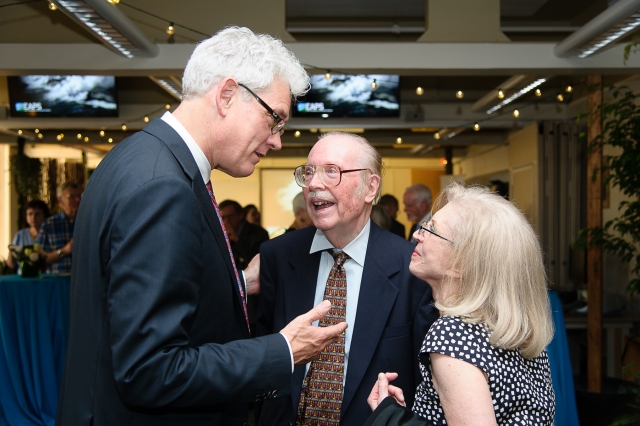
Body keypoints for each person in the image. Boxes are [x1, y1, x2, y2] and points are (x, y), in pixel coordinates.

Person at [55, 27, 347, 426]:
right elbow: (150, 371)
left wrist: (238, 283)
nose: (278, 140)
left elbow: (131, 298)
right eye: (274, 119)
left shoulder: (137, 156)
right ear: (227, 94)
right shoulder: (164, 187)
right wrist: (282, 350)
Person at [257, 132, 438, 426]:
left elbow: (424, 375)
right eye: (309, 171)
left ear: (370, 187)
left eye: (332, 171)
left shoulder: (411, 267)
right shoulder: (278, 256)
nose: (314, 184)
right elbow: (264, 350)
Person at [366, 183, 555, 425]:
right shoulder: (519, 329)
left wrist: (389, 416)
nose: (416, 235)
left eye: (431, 230)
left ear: (460, 265)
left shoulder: (452, 335)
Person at [219, 199, 270, 336]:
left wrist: (236, 239)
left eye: (231, 216)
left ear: (241, 215)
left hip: (253, 302)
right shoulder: (220, 233)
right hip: (229, 299)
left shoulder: (258, 233)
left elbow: (256, 265)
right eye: (223, 217)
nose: (227, 221)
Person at [37, 181, 81, 274]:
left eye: (79, 195)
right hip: (57, 282)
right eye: (72, 196)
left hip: (84, 282)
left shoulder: (89, 222)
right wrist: (64, 251)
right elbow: (39, 259)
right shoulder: (49, 225)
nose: (77, 200)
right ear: (61, 200)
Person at [6, 199, 49, 273]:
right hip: (23, 277)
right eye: (30, 214)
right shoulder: (20, 235)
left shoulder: (50, 233)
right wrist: (11, 252)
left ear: (44, 215)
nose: (33, 217)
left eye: (38, 214)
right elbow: (11, 264)